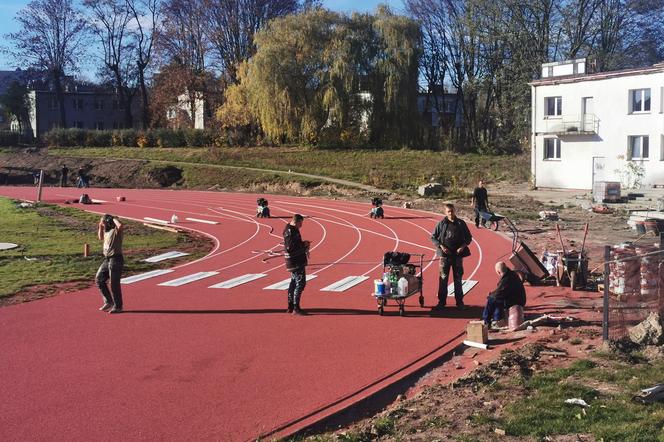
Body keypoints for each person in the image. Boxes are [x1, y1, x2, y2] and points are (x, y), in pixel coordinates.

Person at [430, 203, 472, 310]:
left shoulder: (461, 223)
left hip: (457, 256)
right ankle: (441, 302)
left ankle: (459, 302)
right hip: (444, 257)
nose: (451, 213)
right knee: (443, 279)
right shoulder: (441, 224)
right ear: (445, 212)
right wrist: (441, 246)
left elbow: (468, 238)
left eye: (452, 211)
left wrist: (462, 247)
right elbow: (433, 237)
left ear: (455, 211)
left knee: (458, 279)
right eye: (449, 211)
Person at [482, 262, 526, 327]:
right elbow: (500, 291)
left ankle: (486, 321)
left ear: (498, 272)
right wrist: (493, 293)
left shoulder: (506, 279)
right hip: (518, 298)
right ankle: (497, 318)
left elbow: (499, 293)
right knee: (496, 299)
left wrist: (490, 296)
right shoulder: (511, 274)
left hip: (516, 301)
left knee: (491, 300)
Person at [96, 214, 124, 314]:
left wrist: (113, 219)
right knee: (99, 279)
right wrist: (100, 226)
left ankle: (118, 306)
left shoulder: (116, 231)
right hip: (107, 259)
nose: (103, 224)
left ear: (108, 222)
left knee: (114, 284)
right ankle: (108, 301)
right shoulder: (107, 232)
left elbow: (120, 225)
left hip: (116, 259)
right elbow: (100, 237)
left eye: (103, 222)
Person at [283, 213, 310, 315]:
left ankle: (290, 306)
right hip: (295, 261)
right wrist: (304, 244)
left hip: (295, 261)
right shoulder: (290, 231)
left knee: (294, 283)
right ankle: (295, 307)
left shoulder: (291, 229)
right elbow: (290, 247)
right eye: (301, 223)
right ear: (297, 221)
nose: (301, 226)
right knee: (300, 284)